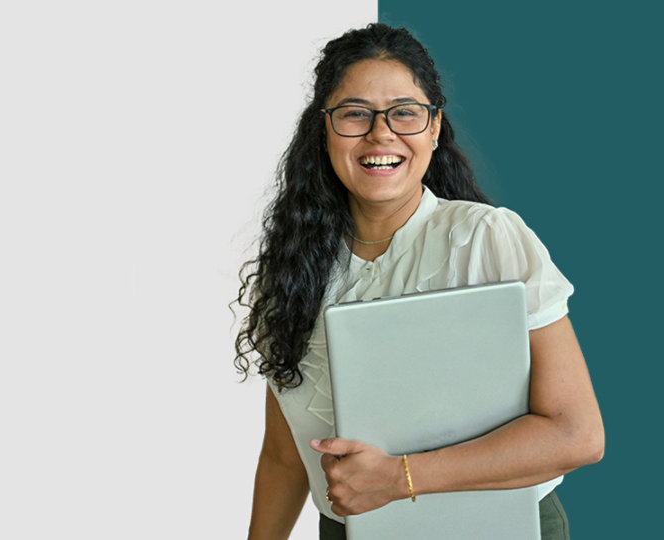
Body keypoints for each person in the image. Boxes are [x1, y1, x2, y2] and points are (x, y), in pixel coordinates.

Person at [234, 23, 604, 540]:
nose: (381, 133)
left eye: (405, 112)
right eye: (355, 113)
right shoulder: (292, 271)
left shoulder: (485, 239)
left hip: (499, 529)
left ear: (434, 128)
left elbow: (577, 434)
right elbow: (283, 456)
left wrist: (398, 479)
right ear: (324, 130)